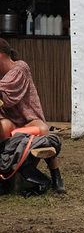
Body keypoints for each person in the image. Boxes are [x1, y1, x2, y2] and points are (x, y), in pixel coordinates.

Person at [0, 37, 65, 193]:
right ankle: (7, 172)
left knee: (42, 129)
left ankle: (56, 175)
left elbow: (8, 95)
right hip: (11, 125)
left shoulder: (20, 68)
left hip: (28, 123)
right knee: (3, 126)